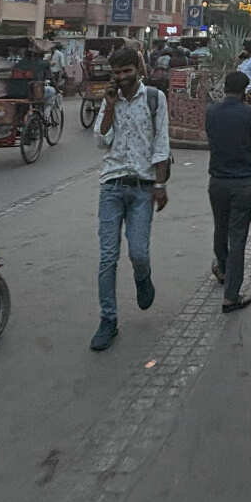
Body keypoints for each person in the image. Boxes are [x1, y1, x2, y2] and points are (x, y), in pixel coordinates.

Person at [92, 45, 171, 351]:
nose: (123, 77)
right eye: (117, 73)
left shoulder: (154, 98)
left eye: (127, 71)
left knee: (138, 252)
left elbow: (161, 142)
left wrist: (160, 184)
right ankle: (108, 320)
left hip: (142, 187)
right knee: (107, 257)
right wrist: (110, 106)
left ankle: (143, 277)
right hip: (111, 185)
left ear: (138, 70)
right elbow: (101, 141)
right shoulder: (109, 99)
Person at [204, 70, 251, 313]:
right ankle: (231, 295)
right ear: (244, 91)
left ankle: (222, 268)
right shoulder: (249, 113)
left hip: (217, 181)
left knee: (221, 227)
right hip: (242, 181)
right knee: (237, 237)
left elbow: (210, 137)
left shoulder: (211, 112)